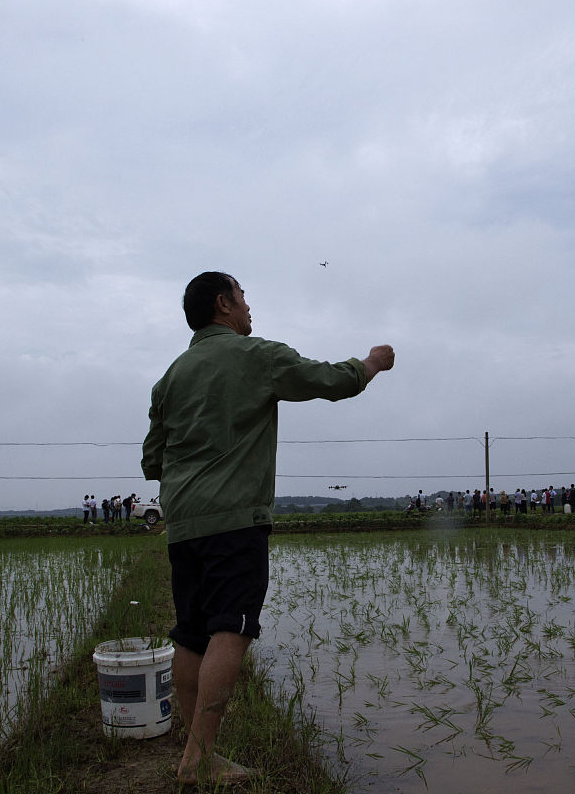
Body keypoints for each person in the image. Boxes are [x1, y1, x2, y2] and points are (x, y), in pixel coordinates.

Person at [141, 271, 394, 787]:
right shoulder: (255, 356)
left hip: (183, 523)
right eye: (243, 296)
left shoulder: (170, 377)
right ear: (223, 303)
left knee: (190, 634)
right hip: (235, 520)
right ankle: (199, 759)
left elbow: (152, 460)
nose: (248, 306)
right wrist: (372, 362)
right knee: (231, 628)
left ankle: (197, 754)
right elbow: (333, 381)